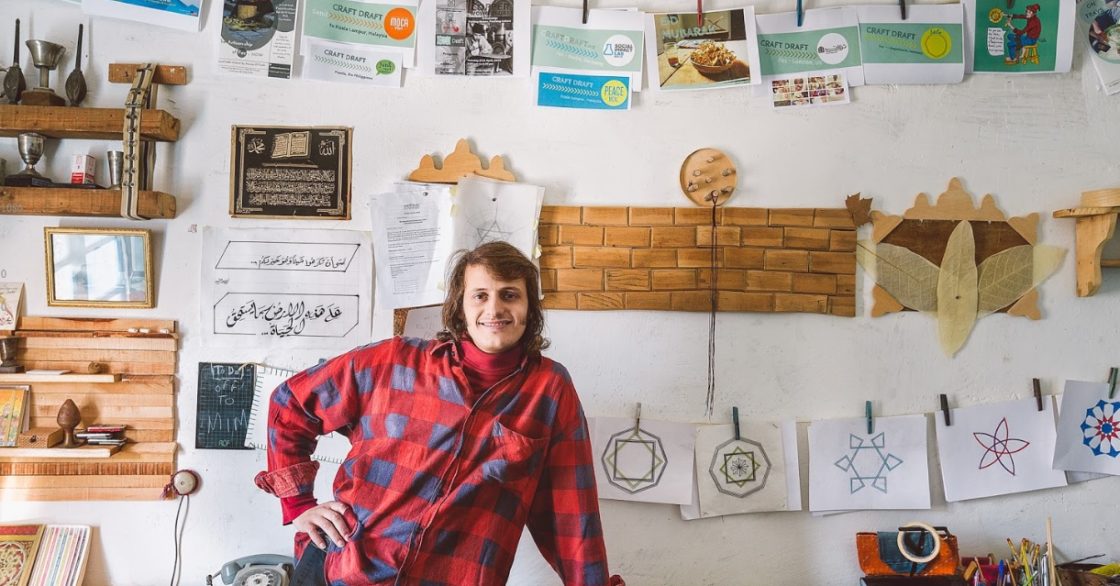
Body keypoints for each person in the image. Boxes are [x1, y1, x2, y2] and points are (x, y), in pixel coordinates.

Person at [255, 241, 623, 586]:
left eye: (510, 295)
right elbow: (290, 404)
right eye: (480, 295)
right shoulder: (393, 361)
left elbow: (571, 512)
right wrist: (298, 504)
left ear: (530, 309)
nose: (494, 309)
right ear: (461, 307)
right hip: (340, 569)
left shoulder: (549, 390)